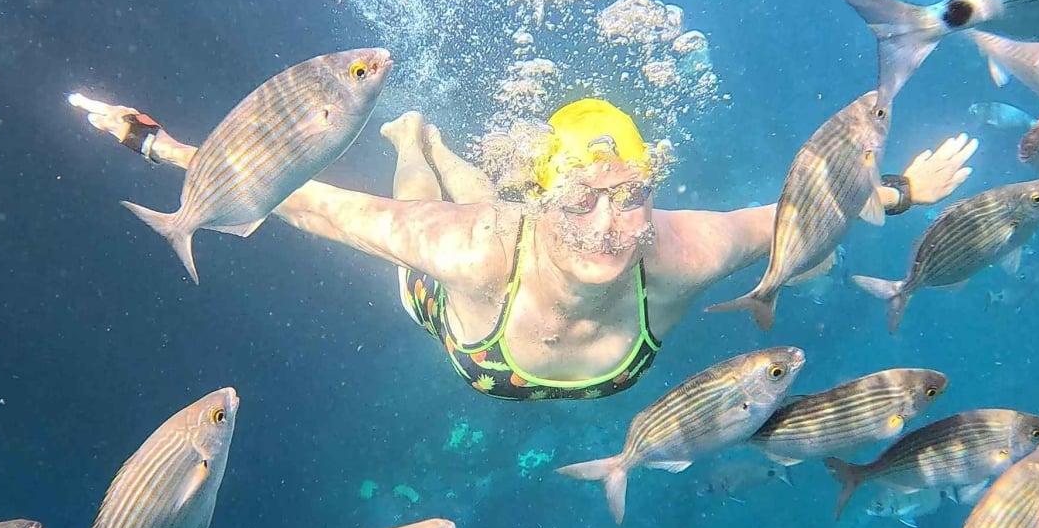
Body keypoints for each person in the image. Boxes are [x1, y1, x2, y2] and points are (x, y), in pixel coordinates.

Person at [72, 93, 976, 400]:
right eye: (581, 197)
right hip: (454, 302)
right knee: (420, 207)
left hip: (508, 239)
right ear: (551, 196)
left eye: (630, 195)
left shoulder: (679, 250)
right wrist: (158, 146)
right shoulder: (475, 251)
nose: (609, 226)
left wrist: (902, 192)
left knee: (496, 206)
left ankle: (452, 153)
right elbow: (316, 205)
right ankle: (414, 136)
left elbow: (795, 214)